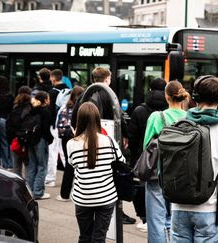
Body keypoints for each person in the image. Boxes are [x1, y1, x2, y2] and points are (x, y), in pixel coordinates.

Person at [169, 76, 218, 243]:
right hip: (210, 208)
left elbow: (164, 168)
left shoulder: (178, 125)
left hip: (179, 207)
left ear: (194, 97)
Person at [70, 67, 134, 224]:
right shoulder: (108, 94)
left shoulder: (84, 95)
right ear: (107, 79)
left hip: (82, 145)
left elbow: (73, 119)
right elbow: (119, 116)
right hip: (104, 141)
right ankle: (116, 210)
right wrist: (125, 135)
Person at [67, 102, 122, 243]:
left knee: (84, 237)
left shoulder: (71, 144)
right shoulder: (109, 141)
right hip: (106, 197)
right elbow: (121, 160)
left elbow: (72, 164)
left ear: (79, 120)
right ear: (97, 119)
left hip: (83, 198)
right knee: (99, 238)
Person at [143, 81, 188, 243]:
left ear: (166, 96)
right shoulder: (190, 118)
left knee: (156, 222)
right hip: (183, 177)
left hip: (159, 175)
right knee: (177, 222)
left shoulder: (157, 117)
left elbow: (147, 146)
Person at [128, 78, 168, 232]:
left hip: (143, 156)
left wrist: (135, 154)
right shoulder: (168, 111)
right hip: (165, 159)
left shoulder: (139, 110)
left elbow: (132, 137)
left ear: (150, 90)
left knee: (142, 187)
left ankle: (145, 218)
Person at [55, 85, 84, 202]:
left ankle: (64, 194)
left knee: (69, 163)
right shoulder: (81, 107)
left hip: (65, 138)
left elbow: (57, 122)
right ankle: (75, 192)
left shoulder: (64, 107)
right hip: (76, 137)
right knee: (78, 164)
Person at [26, 91, 53, 200]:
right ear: (45, 100)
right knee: (42, 166)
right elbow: (46, 129)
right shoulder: (46, 112)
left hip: (30, 140)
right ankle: (38, 192)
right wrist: (50, 139)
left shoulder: (31, 110)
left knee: (32, 165)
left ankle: (29, 191)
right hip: (40, 140)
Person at [45, 69, 69, 187]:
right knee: (64, 152)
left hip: (54, 126)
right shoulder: (69, 90)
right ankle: (72, 176)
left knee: (52, 152)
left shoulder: (52, 92)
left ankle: (50, 178)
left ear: (53, 78)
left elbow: (50, 111)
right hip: (65, 126)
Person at [6, 86, 32, 177]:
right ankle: (28, 188)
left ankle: (17, 189)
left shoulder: (15, 108)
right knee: (29, 166)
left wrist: (11, 140)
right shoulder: (32, 109)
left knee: (16, 168)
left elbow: (9, 125)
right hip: (27, 142)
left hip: (15, 142)